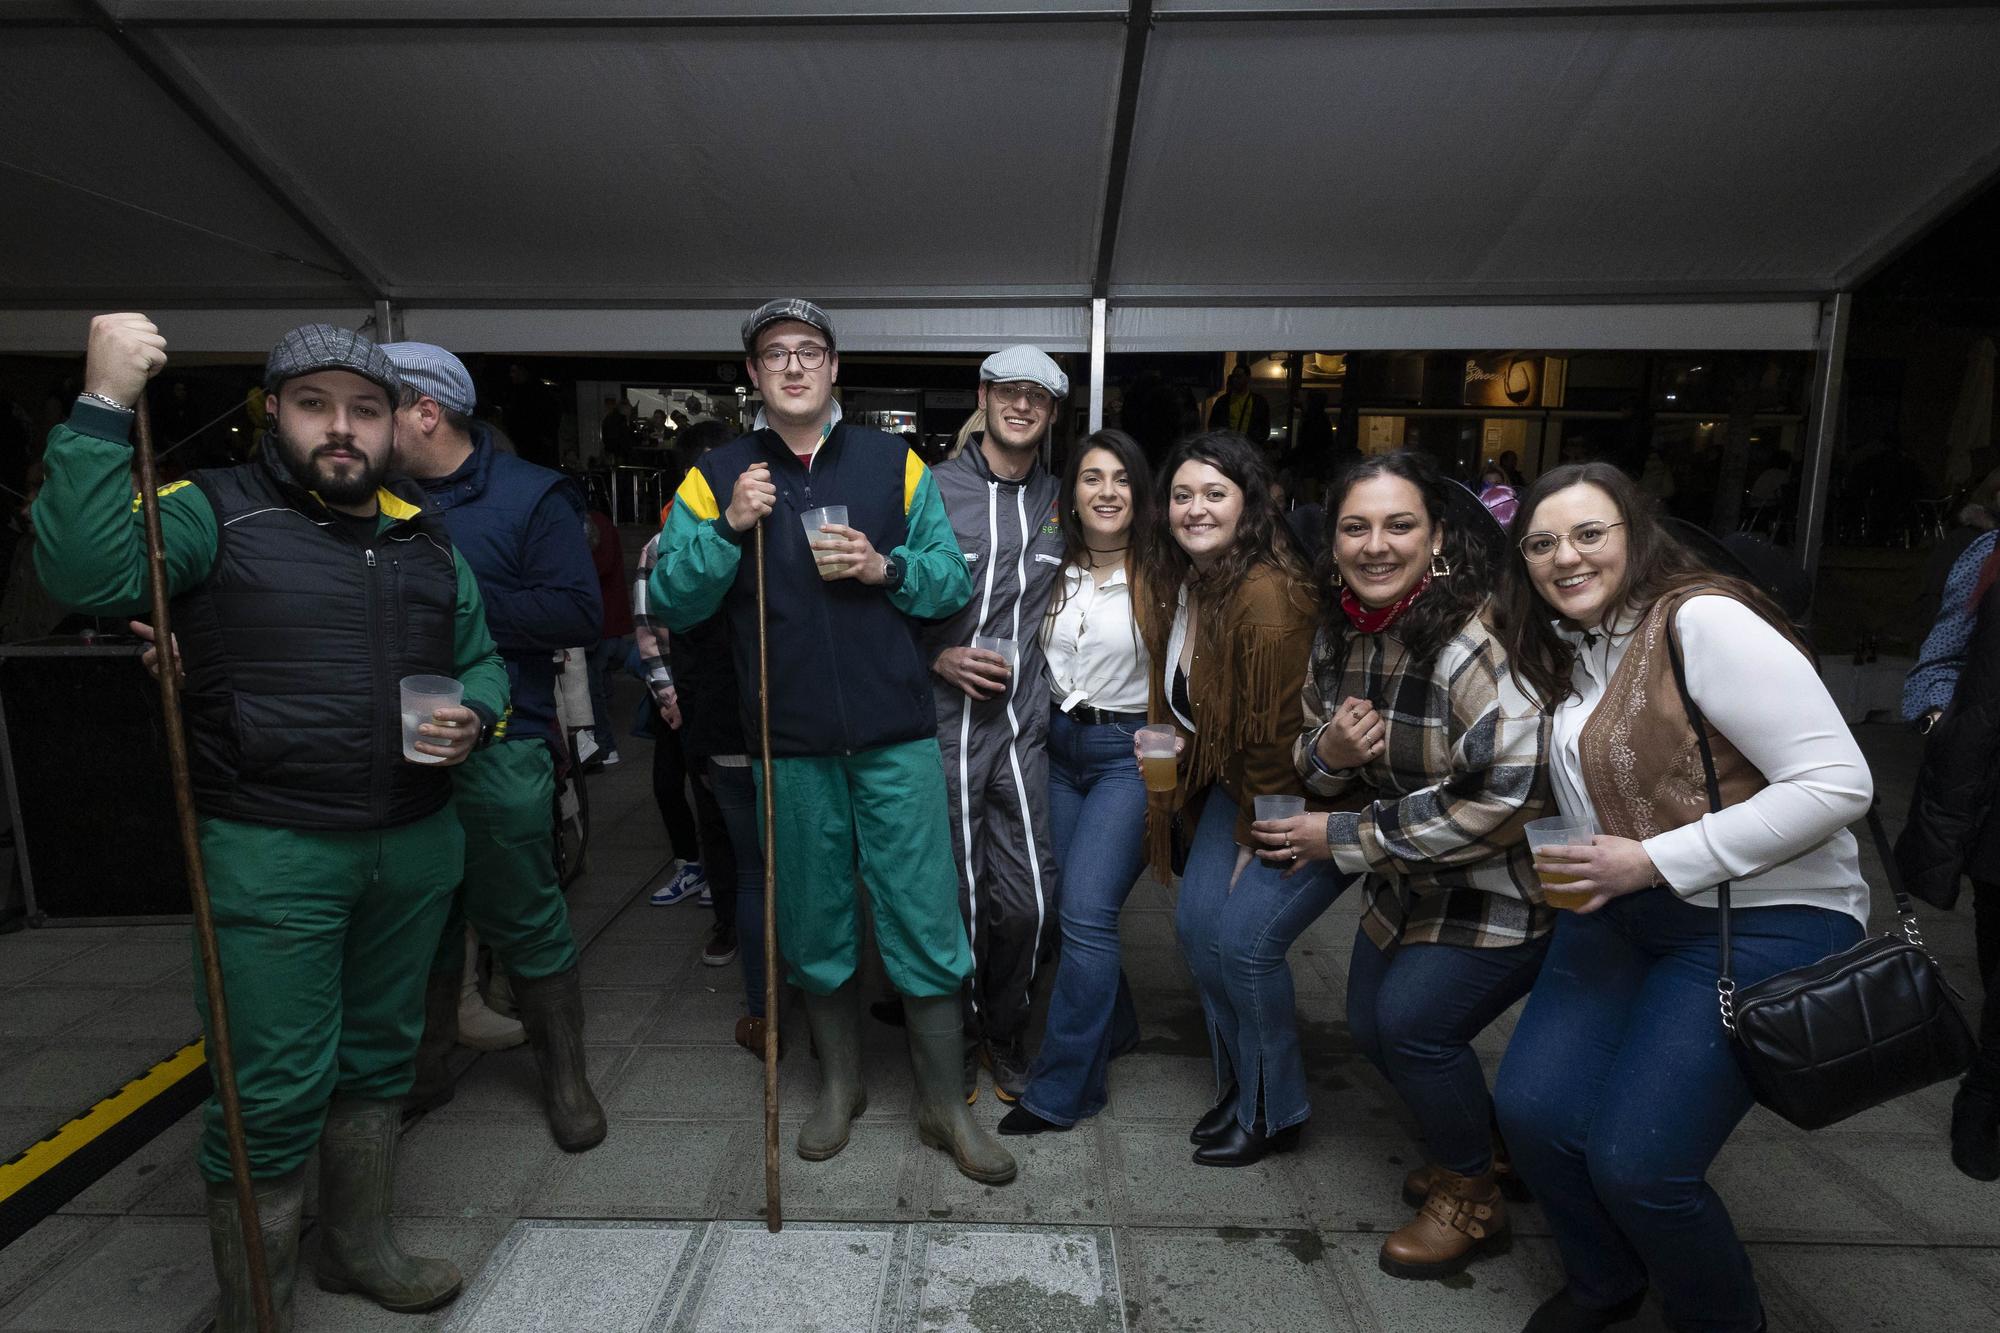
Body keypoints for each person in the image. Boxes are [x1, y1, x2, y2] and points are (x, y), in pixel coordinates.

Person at [36, 316, 510, 1328]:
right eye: (314, 405)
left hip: (415, 838)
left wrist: (477, 711)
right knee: (272, 1082)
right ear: (273, 414)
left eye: (365, 410)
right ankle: (259, 1305)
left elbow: (478, 657)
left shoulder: (426, 539)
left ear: (395, 426)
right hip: (272, 845)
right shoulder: (211, 512)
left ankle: (361, 1247)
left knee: (381, 1055)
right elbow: (85, 575)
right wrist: (103, 405)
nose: (340, 428)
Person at [1491, 461, 1872, 1333]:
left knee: (1640, 1163)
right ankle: (1604, 1279)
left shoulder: (1701, 620)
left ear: (1637, 535)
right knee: (1534, 1112)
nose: (1566, 556)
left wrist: (1656, 859)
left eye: (1591, 534)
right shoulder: (1576, 647)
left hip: (1764, 917)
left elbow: (1838, 783)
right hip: (1626, 913)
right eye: (1542, 543)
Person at [651, 298, 1014, 1184]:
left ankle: (939, 1105)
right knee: (813, 918)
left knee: (924, 912)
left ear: (835, 368)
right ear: (753, 376)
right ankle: (840, 1085)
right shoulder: (716, 476)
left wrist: (884, 567)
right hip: (789, 739)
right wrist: (731, 526)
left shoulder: (897, 466)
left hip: (893, 735)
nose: (794, 366)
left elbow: (944, 585)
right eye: (775, 354)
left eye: (809, 351)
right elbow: (670, 600)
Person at [1254, 450, 1552, 1280]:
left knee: (1417, 1027)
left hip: (1502, 887)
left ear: (1437, 538)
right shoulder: (1341, 630)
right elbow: (1311, 759)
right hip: (1406, 884)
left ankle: (1470, 1196)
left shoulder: (1475, 642)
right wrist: (1332, 748)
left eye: (1398, 525)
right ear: (1334, 540)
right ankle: (1483, 1145)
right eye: (1356, 526)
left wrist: (1342, 835)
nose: (1375, 545)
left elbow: (1508, 796)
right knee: (1370, 1025)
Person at [380, 341, 608, 1154]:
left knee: (523, 911)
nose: (358, 423)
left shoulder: (531, 496)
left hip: (502, 744)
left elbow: (578, 613)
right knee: (419, 916)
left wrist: (451, 601)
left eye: (378, 405)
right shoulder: (361, 499)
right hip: (391, 748)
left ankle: (566, 1079)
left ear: (426, 412)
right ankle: (424, 1073)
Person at [1142, 430, 1331, 1168]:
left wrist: (1255, 836)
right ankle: (1239, 1084)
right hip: (1234, 780)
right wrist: (1183, 741)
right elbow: (1218, 706)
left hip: (1290, 794)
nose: (1195, 508)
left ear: (1249, 503)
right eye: (1183, 494)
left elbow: (1277, 733)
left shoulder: (1266, 593)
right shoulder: (1197, 580)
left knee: (1242, 943)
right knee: (1195, 927)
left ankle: (1272, 1106)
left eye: (1214, 493)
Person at [918, 345, 1069, 1101]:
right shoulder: (929, 490)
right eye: (1007, 392)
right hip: (943, 727)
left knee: (1032, 898)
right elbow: (879, 594)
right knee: (956, 894)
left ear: (1050, 413)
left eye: (1036, 397)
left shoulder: (1061, 504)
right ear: (983, 396)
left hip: (1021, 725)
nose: (1021, 405)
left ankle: (1006, 1025)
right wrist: (936, 654)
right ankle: (966, 1037)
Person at [998, 430, 1159, 1136]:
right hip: (1057, 746)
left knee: (1088, 911)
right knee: (1058, 900)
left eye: (1122, 477)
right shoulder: (1048, 570)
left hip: (1126, 752)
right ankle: (1117, 1024)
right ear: (1071, 493)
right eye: (1092, 477)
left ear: (1139, 493)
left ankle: (1064, 1087)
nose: (1107, 491)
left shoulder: (1165, 575)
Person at [638, 418, 768, 1043]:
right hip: (724, 721)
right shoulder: (689, 537)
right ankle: (766, 1003)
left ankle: (790, 997)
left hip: (780, 726)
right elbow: (663, 612)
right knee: (746, 861)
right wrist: (670, 695)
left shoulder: (773, 529)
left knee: (786, 866)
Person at [1897, 539, 2000, 1182]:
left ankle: (1986, 1094)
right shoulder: (1990, 552)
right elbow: (1942, 654)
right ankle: (1986, 1092)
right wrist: (1942, 722)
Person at [583, 502, 634, 766]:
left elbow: (597, 568)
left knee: (594, 688)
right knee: (601, 679)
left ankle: (605, 745)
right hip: (610, 619)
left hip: (600, 622)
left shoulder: (592, 524)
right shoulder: (601, 521)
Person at [1206, 362, 1271, 445]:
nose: (1235, 380)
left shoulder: (1259, 402)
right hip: (1229, 445)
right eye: (1234, 377)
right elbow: (1213, 425)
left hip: (1247, 446)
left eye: (1239, 377)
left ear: (1247, 378)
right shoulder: (1222, 401)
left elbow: (1264, 428)